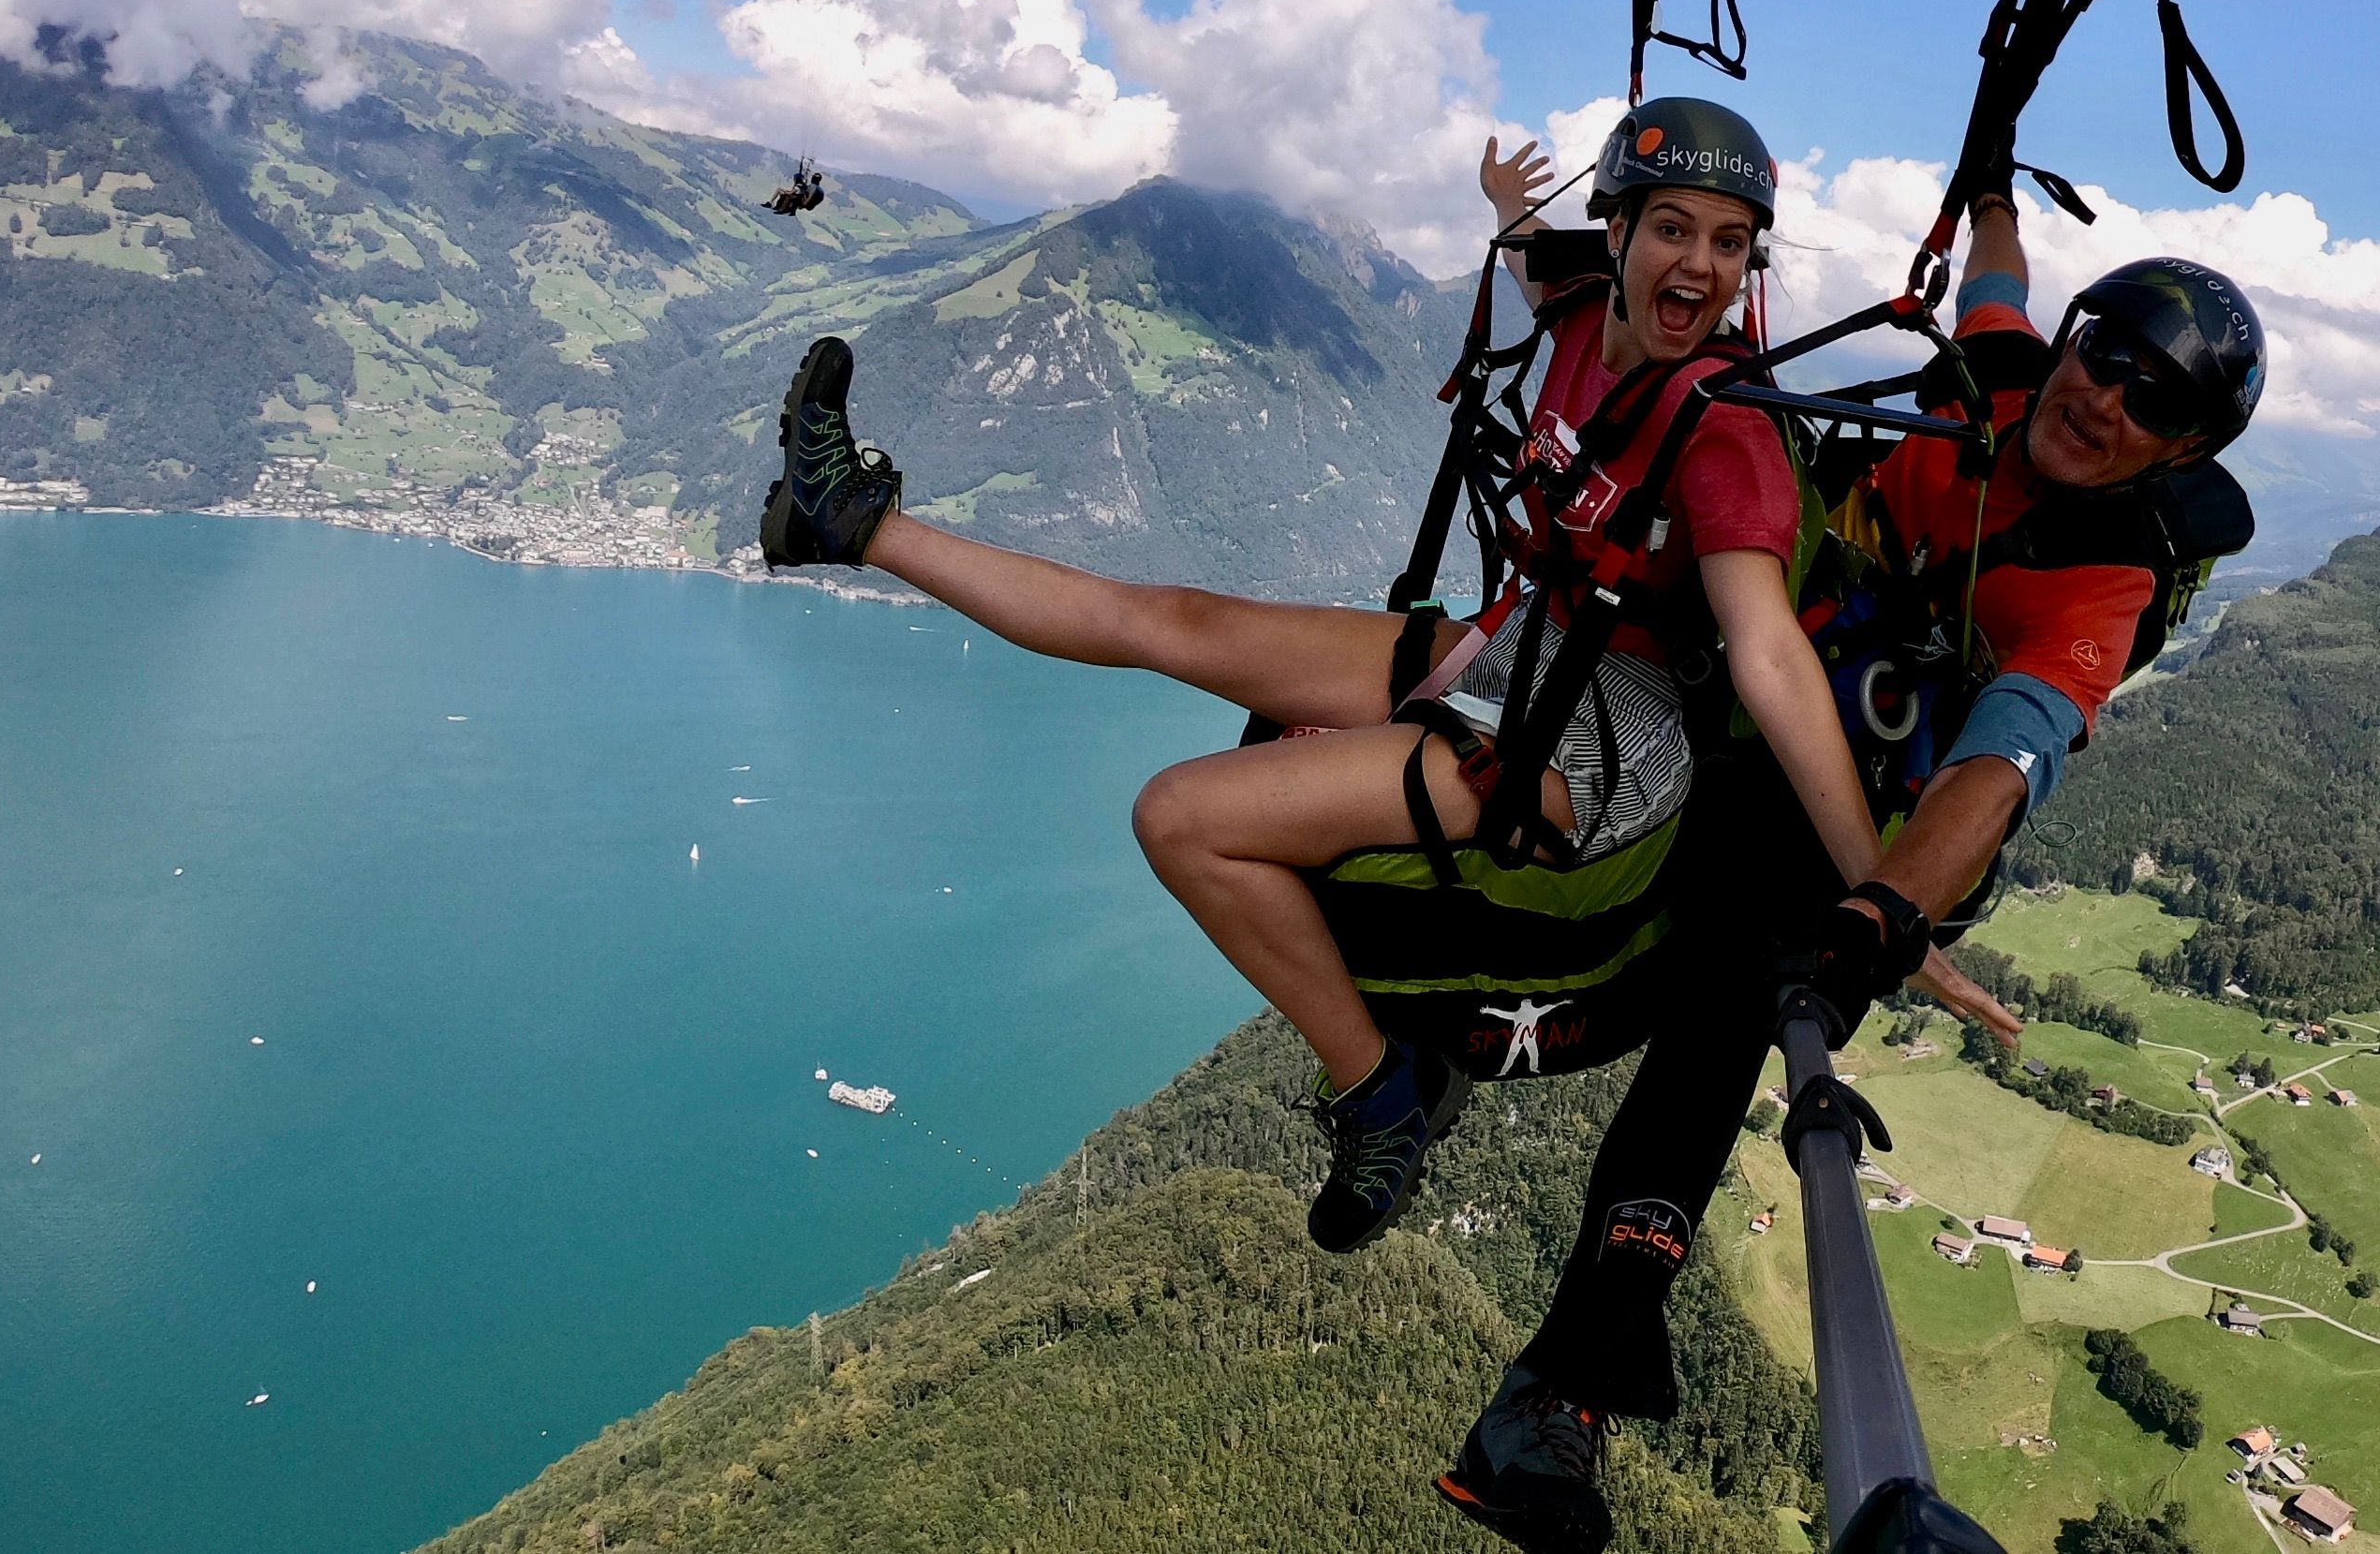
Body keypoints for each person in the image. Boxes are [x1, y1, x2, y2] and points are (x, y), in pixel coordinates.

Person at [759, 98, 1992, 1265]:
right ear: (1613, 232)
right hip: (1522, 642)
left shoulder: (1722, 435)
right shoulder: (1574, 313)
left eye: (1730, 244)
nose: (1701, 268)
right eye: (1671, 227)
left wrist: (1888, 894)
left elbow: (1768, 657)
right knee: (1172, 617)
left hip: (1603, 739)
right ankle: (856, 521)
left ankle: (1380, 1092)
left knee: (1179, 817)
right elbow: (1530, 256)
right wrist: (1505, 204)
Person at [1437, 194, 2264, 1553]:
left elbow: (2001, 763)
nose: (2104, 393)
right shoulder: (1998, 378)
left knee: (1710, 1025)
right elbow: (1998, 283)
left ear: (2181, 448)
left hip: (1857, 806)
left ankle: (1563, 1387)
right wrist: (1996, 188)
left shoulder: (2105, 581)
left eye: (2151, 395)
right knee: (1639, 926)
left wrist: (1879, 910)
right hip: (1766, 669)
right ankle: (1469, 1067)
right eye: (2101, 348)